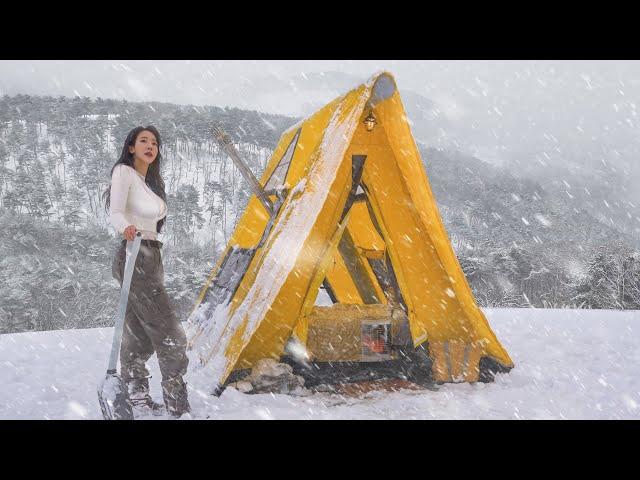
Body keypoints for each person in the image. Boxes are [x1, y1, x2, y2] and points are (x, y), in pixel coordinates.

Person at [103, 125, 191, 418]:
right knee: (172, 335)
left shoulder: (149, 181)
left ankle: (136, 396)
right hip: (134, 253)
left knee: (139, 335)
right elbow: (116, 211)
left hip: (151, 255)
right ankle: (177, 405)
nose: (150, 145)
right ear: (131, 147)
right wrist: (124, 227)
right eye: (143, 141)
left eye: (154, 142)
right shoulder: (124, 172)